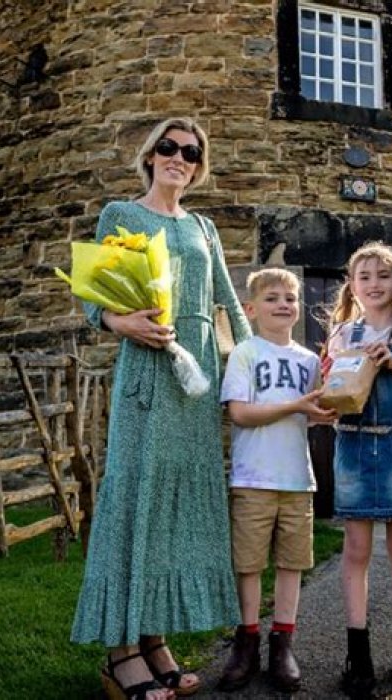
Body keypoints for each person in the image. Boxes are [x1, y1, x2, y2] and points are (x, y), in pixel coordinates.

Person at [71, 117, 252, 700]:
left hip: (195, 384)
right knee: (136, 501)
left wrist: (257, 364)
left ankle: (154, 640)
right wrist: (118, 321)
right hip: (147, 377)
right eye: (169, 148)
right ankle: (120, 651)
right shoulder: (120, 214)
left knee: (175, 513)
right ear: (150, 156)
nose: (179, 158)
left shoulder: (203, 227)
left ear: (199, 167)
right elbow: (89, 294)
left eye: (191, 152)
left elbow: (228, 302)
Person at [218, 268, 337, 692]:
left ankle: (283, 644)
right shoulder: (245, 353)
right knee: (249, 564)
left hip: (296, 479)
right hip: (253, 477)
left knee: (292, 564)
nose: (283, 304)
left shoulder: (309, 360)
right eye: (272, 298)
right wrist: (296, 406)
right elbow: (240, 413)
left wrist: (327, 408)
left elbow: (315, 411)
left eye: (290, 298)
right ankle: (246, 641)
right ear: (251, 309)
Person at [324, 242, 392, 698]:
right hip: (353, 443)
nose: (374, 284)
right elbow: (330, 392)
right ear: (351, 285)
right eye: (364, 276)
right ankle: (358, 655)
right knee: (356, 549)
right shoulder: (341, 334)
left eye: (383, 276)